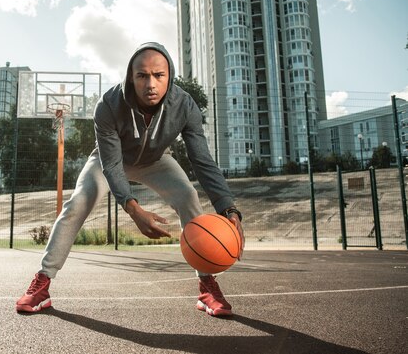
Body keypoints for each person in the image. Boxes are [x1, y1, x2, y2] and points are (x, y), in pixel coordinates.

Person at [16, 42, 244, 317]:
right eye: (142, 75)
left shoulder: (184, 105)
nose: (151, 83)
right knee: (78, 202)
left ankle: (207, 286)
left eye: (159, 75)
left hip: (156, 161)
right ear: (130, 77)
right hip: (110, 159)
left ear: (169, 76)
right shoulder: (109, 104)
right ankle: (42, 282)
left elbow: (203, 161)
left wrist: (228, 209)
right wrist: (133, 208)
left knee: (188, 196)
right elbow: (112, 164)